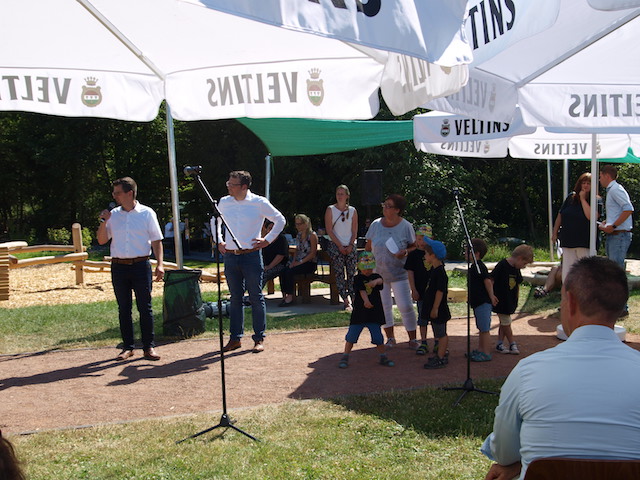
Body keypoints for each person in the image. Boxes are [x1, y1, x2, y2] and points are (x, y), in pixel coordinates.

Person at [482, 256, 640, 480]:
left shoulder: (528, 372)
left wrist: (518, 463)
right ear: (620, 306)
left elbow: (503, 453)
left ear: (571, 302)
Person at [213, 170, 285, 353]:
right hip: (230, 255)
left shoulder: (258, 202)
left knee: (255, 296)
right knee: (235, 298)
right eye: (228, 183)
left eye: (232, 184)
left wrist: (267, 240)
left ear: (244, 186)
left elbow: (280, 219)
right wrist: (218, 240)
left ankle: (259, 338)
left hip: (251, 256)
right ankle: (235, 338)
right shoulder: (224, 202)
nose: (229, 186)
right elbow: (216, 222)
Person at [97, 177, 164, 361]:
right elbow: (101, 240)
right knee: (124, 308)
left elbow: (156, 240)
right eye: (114, 193)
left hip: (141, 265)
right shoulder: (113, 215)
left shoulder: (147, 213)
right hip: (119, 266)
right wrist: (103, 221)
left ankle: (149, 347)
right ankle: (128, 347)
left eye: (118, 192)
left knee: (145, 307)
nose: (114, 196)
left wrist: (160, 264)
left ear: (130, 193)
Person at [365, 194, 419, 349]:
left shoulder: (406, 226)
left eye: (389, 206)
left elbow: (415, 246)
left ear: (397, 210)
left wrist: (405, 252)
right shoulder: (376, 224)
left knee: (405, 306)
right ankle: (390, 338)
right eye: (384, 205)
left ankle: (413, 339)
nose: (385, 208)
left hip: (399, 273)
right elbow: (368, 248)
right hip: (379, 274)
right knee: (384, 306)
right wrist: (366, 267)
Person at [338, 251, 395, 369]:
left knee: (378, 337)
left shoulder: (376, 276)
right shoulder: (357, 278)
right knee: (351, 336)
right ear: (359, 267)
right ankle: (345, 356)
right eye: (365, 269)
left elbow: (381, 281)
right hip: (360, 313)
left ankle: (383, 356)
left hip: (374, 313)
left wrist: (375, 281)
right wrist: (366, 301)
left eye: (369, 268)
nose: (367, 271)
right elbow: (362, 290)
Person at [552, 172, 601, 281]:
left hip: (585, 242)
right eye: (583, 183)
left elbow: (591, 216)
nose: (586, 185)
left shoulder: (596, 200)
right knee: (567, 272)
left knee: (585, 272)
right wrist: (555, 232)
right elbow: (561, 215)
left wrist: (583, 199)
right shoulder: (571, 198)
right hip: (568, 241)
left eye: (589, 183)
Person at [599, 164, 634, 316]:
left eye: (600, 176)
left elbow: (628, 208)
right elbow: (620, 211)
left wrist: (613, 225)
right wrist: (608, 222)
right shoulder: (612, 190)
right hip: (615, 235)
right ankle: (616, 305)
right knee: (613, 271)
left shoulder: (615, 189)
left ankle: (621, 307)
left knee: (616, 272)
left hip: (619, 235)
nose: (599, 179)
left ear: (607, 176)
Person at [491, 244, 534, 356]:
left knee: (504, 323)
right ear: (519, 258)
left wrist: (516, 298)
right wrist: (492, 295)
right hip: (500, 301)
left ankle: (500, 343)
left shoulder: (516, 268)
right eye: (524, 263)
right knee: (506, 322)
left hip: (510, 300)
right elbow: (491, 280)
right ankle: (512, 343)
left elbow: (517, 284)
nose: (524, 267)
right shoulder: (502, 265)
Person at [324, 184, 358, 311]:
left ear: (347, 196)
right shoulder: (330, 209)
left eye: (342, 194)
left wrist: (350, 245)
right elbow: (329, 230)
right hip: (336, 245)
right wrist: (339, 245)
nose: (339, 196)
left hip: (350, 244)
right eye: (338, 194)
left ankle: (354, 298)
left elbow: (354, 230)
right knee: (339, 273)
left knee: (352, 273)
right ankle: (345, 300)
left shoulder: (353, 211)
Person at [466, 238, 498, 362]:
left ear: (476, 253)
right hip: (477, 302)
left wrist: (491, 296)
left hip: (483, 302)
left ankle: (486, 352)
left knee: (484, 329)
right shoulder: (474, 267)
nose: (465, 254)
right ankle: (480, 349)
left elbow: (487, 281)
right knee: (481, 328)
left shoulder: (479, 267)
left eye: (468, 251)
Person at [421, 238, 452, 369]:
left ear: (432, 255)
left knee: (441, 334)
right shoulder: (434, 270)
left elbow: (440, 291)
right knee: (438, 332)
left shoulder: (440, 272)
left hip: (439, 308)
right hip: (434, 307)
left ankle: (441, 357)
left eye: (426, 253)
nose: (425, 256)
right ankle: (440, 354)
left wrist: (435, 308)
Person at [404, 224, 433, 355]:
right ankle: (424, 341)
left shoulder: (434, 253)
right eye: (419, 239)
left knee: (437, 318)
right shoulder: (413, 255)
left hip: (434, 291)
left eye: (425, 239)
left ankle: (438, 341)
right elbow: (410, 273)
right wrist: (413, 289)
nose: (422, 242)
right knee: (422, 318)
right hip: (420, 291)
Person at [279, 214, 318, 306]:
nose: (298, 226)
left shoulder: (312, 235)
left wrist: (300, 262)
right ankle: (284, 295)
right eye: (296, 224)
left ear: (306, 224)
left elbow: (313, 253)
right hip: (298, 261)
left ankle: (290, 297)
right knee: (283, 271)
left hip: (309, 263)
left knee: (290, 272)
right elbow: (297, 250)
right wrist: (293, 261)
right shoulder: (299, 235)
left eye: (300, 224)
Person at [261, 219, 289, 295]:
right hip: (266, 265)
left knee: (262, 275)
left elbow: (280, 256)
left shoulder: (281, 239)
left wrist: (269, 267)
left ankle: (254, 296)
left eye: (274, 228)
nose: (271, 231)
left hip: (280, 265)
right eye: (270, 228)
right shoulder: (264, 240)